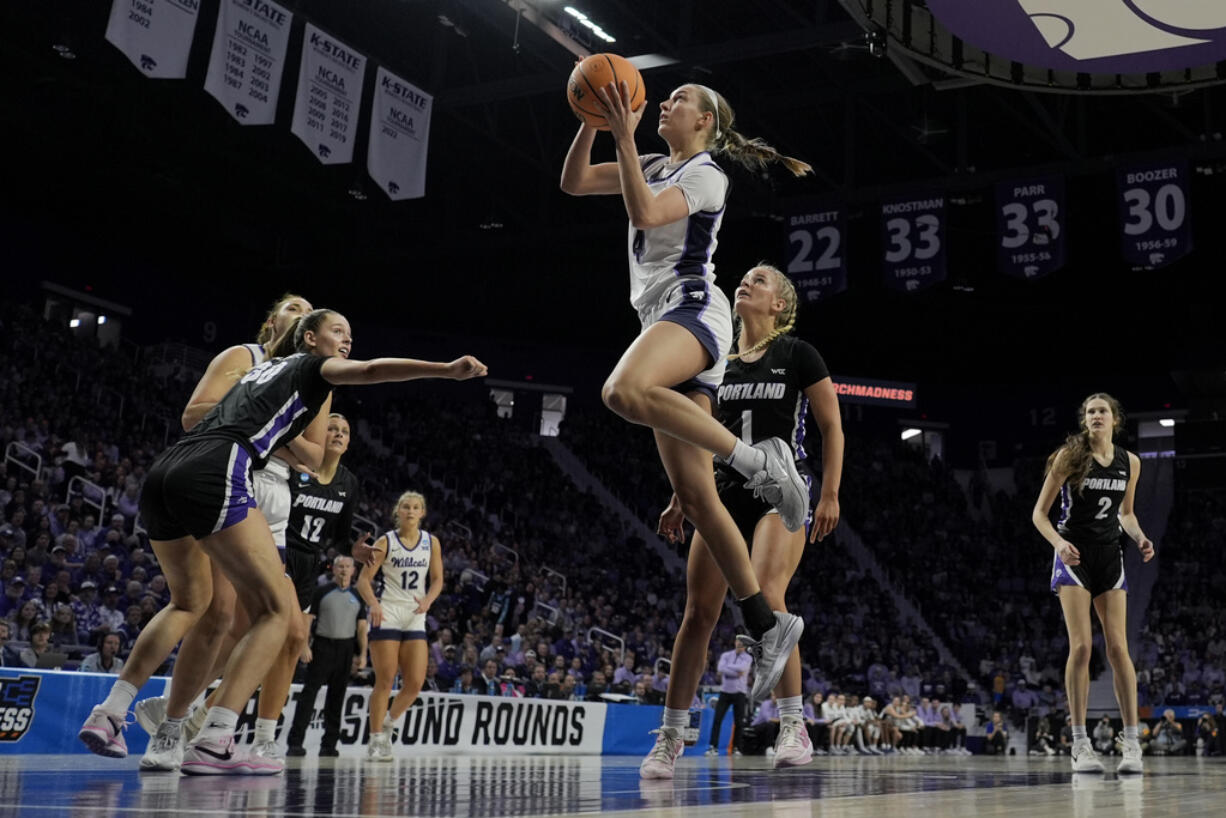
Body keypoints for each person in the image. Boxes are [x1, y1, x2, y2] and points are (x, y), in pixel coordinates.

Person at [78, 307, 486, 775]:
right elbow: (372, 371)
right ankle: (216, 737)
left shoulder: (259, 367)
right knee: (278, 612)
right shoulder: (308, 365)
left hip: (167, 469)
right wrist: (444, 370)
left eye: (351, 334)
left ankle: (111, 710)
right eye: (338, 331)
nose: (347, 340)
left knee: (189, 601)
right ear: (308, 338)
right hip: (221, 467)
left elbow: (223, 422)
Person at [561, 80, 815, 706]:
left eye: (675, 99)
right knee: (699, 500)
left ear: (703, 121)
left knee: (622, 389)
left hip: (693, 307)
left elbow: (646, 214)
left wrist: (622, 133)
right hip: (659, 319)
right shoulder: (649, 162)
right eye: (662, 98)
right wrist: (592, 118)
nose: (662, 104)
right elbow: (572, 183)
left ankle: (760, 463)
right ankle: (765, 623)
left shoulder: (708, 176)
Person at [642, 264, 843, 777]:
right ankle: (670, 736)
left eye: (761, 279)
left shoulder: (798, 353)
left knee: (769, 596)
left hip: (783, 487)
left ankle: (793, 725)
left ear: (779, 304)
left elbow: (831, 426)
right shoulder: (715, 359)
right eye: (746, 277)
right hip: (722, 488)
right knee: (699, 613)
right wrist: (677, 495)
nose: (746, 282)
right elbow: (697, 431)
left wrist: (832, 493)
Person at [1032, 393, 1153, 774]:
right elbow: (1039, 514)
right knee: (1082, 647)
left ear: (1115, 419)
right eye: (1090, 412)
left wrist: (1140, 537)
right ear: (1085, 420)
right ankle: (1080, 743)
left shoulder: (1130, 462)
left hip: (1108, 556)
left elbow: (1127, 513)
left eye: (1102, 411)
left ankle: (1132, 743)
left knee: (1119, 648)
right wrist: (1059, 544)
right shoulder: (1069, 457)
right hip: (1074, 556)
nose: (1096, 416)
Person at [356, 491, 444, 762]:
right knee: (385, 679)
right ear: (398, 511)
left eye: (416, 507)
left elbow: (438, 580)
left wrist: (429, 600)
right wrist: (374, 604)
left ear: (422, 513)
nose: (410, 511)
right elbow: (363, 580)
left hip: (415, 613)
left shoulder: (432, 542)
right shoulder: (386, 541)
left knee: (415, 682)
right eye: (405, 506)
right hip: (389, 611)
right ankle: (374, 740)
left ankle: (388, 724)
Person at [286, 555, 367, 757]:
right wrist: (305, 645)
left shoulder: (358, 595)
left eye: (348, 566)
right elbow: (308, 620)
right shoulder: (322, 592)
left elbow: (361, 628)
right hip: (323, 645)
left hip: (346, 648)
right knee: (309, 694)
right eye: (340, 566)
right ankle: (295, 742)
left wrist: (363, 654)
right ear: (334, 569)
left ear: (353, 570)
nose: (344, 570)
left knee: (337, 697)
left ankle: (329, 745)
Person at [705, 637, 752, 758]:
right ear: (735, 642)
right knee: (717, 719)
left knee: (739, 722)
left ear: (745, 645)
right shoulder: (726, 655)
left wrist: (727, 669)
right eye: (738, 641)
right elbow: (720, 669)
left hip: (740, 692)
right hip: (725, 692)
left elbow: (742, 670)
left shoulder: (748, 658)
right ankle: (713, 747)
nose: (739, 643)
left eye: (742, 642)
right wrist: (735, 672)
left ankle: (737, 748)